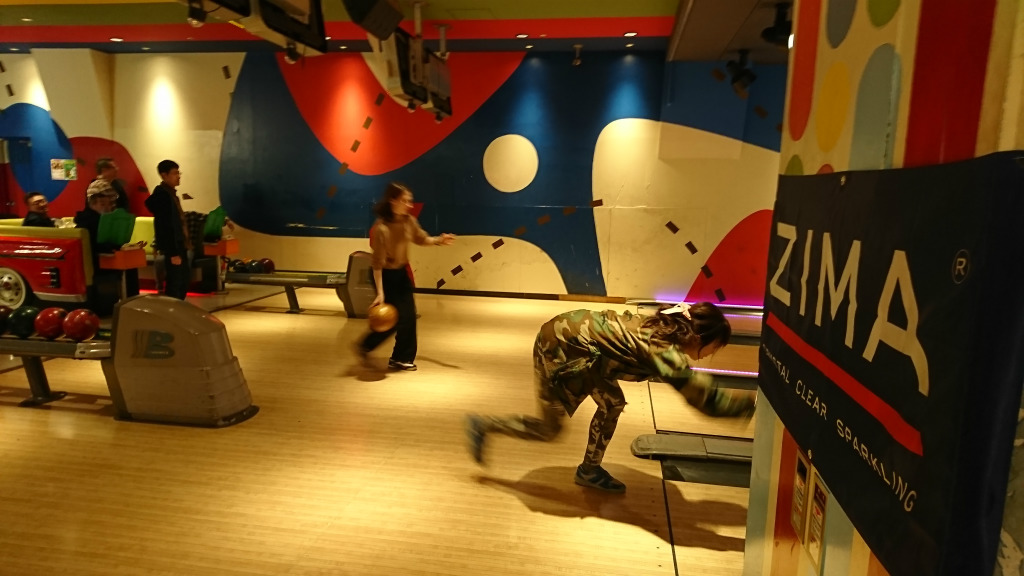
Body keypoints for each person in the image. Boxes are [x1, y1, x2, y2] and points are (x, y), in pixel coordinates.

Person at [464, 302, 756, 494]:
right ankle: (484, 425)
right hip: (561, 345)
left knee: (612, 404)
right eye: (715, 347)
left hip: (580, 343)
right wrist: (749, 407)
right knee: (549, 429)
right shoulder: (663, 350)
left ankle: (589, 471)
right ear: (700, 338)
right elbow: (702, 397)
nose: (711, 355)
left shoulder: (666, 324)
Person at [355, 182, 455, 371]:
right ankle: (366, 345)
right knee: (392, 319)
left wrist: (439, 240)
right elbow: (377, 265)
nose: (409, 205)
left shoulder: (409, 221)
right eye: (405, 201)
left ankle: (401, 358)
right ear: (393, 201)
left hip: (400, 274)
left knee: (408, 317)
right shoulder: (381, 228)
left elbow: (421, 239)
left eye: (410, 201)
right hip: (384, 275)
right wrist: (380, 294)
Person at [144, 160, 190, 300]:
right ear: (164, 175)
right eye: (175, 173)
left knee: (182, 281)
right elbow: (166, 225)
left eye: (178, 173)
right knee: (176, 282)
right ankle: (173, 309)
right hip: (174, 246)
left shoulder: (170, 194)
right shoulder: (163, 196)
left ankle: (177, 308)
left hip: (179, 244)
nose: (178, 176)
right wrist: (173, 251)